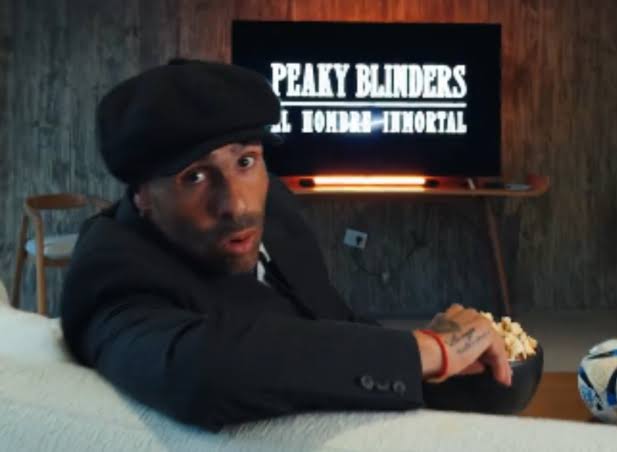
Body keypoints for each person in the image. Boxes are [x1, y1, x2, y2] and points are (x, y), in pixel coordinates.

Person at [60, 59, 511, 432]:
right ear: (141, 196)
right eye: (194, 177)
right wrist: (421, 352)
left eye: (245, 161)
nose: (237, 205)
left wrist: (435, 365)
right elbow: (201, 373)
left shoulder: (273, 202)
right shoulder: (111, 271)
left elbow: (330, 317)